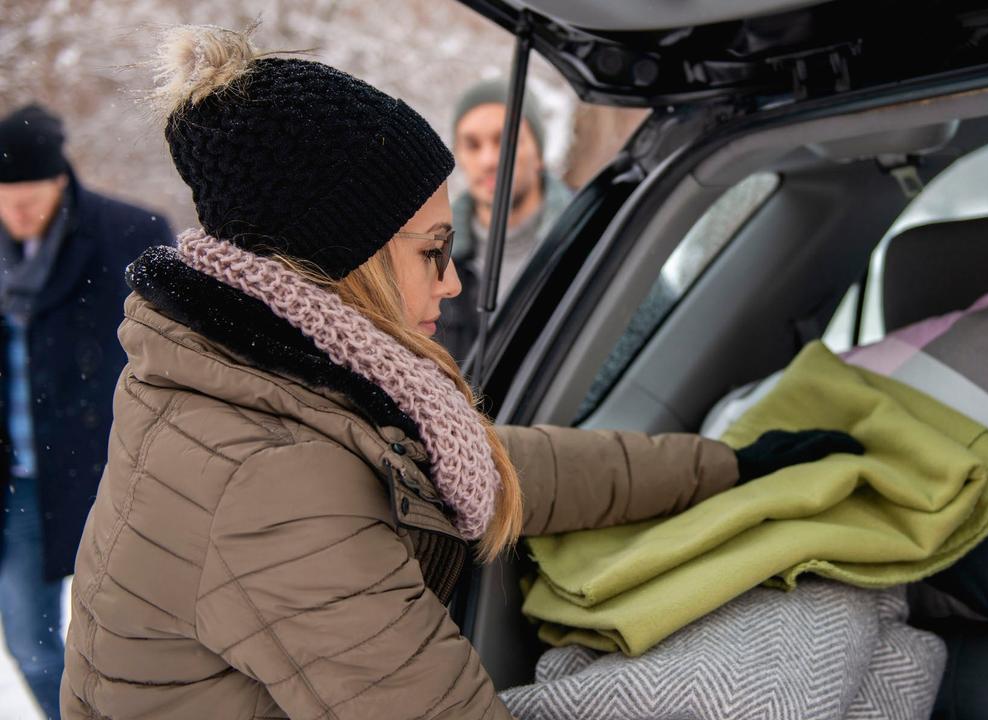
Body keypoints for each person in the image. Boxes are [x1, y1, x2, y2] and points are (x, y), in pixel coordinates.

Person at [60, 26, 861, 719]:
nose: (450, 282)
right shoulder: (270, 480)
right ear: (347, 265)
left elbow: (492, 465)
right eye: (431, 252)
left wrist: (726, 466)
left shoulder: (265, 367)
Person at [0, 103, 171, 719]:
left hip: (113, 469)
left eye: (32, 196)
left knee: (139, 640)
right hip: (15, 480)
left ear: (60, 180)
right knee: (34, 646)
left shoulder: (129, 233)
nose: (19, 212)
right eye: (5, 198)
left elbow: (175, 349)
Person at [438, 79, 574, 358]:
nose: (488, 160)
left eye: (505, 141)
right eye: (472, 145)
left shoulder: (592, 238)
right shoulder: (434, 259)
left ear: (539, 153)